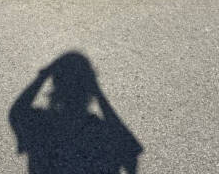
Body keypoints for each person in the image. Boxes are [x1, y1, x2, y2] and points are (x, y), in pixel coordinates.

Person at [9, 52, 142, 174]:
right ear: (88, 91)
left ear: (55, 88)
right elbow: (129, 151)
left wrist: (43, 75)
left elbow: (17, 112)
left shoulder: (41, 125)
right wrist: (98, 93)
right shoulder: (99, 130)